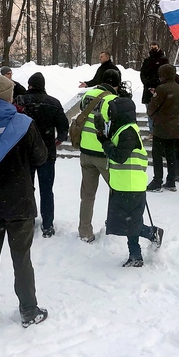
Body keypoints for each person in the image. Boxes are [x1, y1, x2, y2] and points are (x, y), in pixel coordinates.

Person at [0, 74, 49, 327]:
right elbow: (40, 157)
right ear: (10, 96)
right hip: (19, 200)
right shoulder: (23, 123)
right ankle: (28, 309)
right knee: (21, 259)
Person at [96, 96, 164, 267]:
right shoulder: (124, 129)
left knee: (129, 223)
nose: (110, 116)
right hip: (123, 184)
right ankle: (136, 254)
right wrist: (103, 135)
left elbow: (119, 156)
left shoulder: (128, 131)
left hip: (132, 185)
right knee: (127, 223)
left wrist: (104, 141)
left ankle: (151, 235)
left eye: (112, 112)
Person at [15, 72, 69, 238]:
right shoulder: (53, 103)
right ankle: (48, 225)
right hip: (46, 152)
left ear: (30, 85)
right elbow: (63, 128)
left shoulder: (20, 101)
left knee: (26, 188)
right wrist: (57, 141)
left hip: (25, 152)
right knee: (47, 190)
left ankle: (28, 219)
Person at [77, 69, 119, 242]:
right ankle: (114, 226)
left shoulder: (88, 95)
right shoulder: (112, 100)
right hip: (103, 153)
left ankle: (84, 231)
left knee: (87, 195)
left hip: (85, 152)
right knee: (116, 190)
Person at [146, 64, 179, 192]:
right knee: (170, 154)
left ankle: (157, 181)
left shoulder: (162, 89)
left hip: (161, 126)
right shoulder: (178, 88)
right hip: (174, 126)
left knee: (157, 155)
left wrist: (152, 114)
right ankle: (171, 180)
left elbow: (153, 106)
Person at [139, 42, 169, 136]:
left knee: (160, 111)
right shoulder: (147, 60)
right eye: (151, 48)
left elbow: (164, 74)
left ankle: (160, 130)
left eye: (155, 48)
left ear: (159, 48)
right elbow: (142, 74)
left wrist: (156, 85)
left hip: (159, 89)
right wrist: (147, 84)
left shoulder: (164, 60)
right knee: (150, 111)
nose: (153, 49)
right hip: (148, 90)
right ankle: (152, 131)